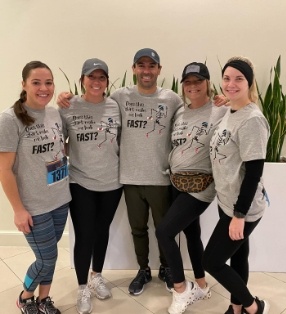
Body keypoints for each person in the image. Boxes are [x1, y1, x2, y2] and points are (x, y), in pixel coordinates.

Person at [57, 48, 183, 295]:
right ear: (133, 68)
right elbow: (72, 124)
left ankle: (166, 268)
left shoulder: (172, 99)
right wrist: (62, 96)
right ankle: (143, 269)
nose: (146, 70)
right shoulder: (118, 97)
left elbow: (192, 112)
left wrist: (217, 101)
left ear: (159, 69)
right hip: (127, 177)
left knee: (164, 230)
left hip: (158, 178)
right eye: (141, 65)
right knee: (137, 229)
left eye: (151, 66)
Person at [156, 62, 228, 314]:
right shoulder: (180, 113)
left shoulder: (221, 110)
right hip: (176, 181)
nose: (193, 86)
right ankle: (200, 283)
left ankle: (180, 289)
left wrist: (226, 100)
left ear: (208, 83)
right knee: (191, 233)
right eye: (188, 82)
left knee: (164, 233)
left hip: (201, 185)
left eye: (198, 81)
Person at [0, 61, 71, 314]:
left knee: (49, 256)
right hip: (34, 205)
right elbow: (4, 169)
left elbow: (60, 149)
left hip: (61, 198)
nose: (44, 88)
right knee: (47, 258)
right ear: (24, 85)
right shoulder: (10, 119)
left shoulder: (54, 113)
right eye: (36, 82)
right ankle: (25, 297)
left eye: (49, 82)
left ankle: (43, 301)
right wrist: (18, 210)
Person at [203, 57, 270, 314]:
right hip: (227, 201)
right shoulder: (232, 112)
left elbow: (254, 173)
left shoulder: (252, 120)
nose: (231, 84)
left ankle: (254, 308)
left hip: (243, 208)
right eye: (227, 78)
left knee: (212, 261)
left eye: (239, 78)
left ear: (249, 82)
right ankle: (236, 306)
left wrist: (239, 215)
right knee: (238, 256)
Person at [58, 58, 123, 314]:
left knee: (101, 231)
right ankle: (83, 287)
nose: (96, 82)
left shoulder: (115, 107)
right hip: (80, 181)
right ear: (82, 79)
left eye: (101, 77)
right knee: (84, 235)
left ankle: (97, 276)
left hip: (112, 183)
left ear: (107, 81)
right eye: (91, 77)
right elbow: (58, 141)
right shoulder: (68, 106)